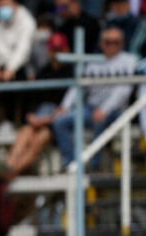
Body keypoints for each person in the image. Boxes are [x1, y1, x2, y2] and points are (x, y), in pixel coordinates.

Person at [52, 27, 137, 169]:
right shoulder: (93, 62)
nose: (111, 46)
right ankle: (71, 164)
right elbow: (78, 86)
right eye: (108, 42)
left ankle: (94, 166)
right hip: (90, 109)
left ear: (122, 44)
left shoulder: (129, 61)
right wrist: (65, 106)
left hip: (116, 111)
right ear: (101, 44)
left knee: (100, 120)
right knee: (60, 121)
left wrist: (105, 109)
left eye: (116, 42)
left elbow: (123, 91)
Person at [1, 32, 73, 178]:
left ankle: (9, 174)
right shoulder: (43, 71)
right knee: (24, 135)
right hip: (39, 119)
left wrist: (46, 120)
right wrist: (32, 116)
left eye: (59, 49)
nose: (56, 54)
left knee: (38, 140)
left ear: (67, 50)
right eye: (54, 50)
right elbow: (32, 101)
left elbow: (69, 105)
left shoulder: (72, 72)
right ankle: (9, 169)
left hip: (56, 122)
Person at [0, 0, 36, 124]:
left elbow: (23, 50)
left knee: (18, 83)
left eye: (5, 5)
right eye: (0, 6)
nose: (2, 9)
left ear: (15, 4)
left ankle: (21, 123)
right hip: (0, 70)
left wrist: (11, 68)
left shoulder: (27, 21)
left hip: (23, 68)